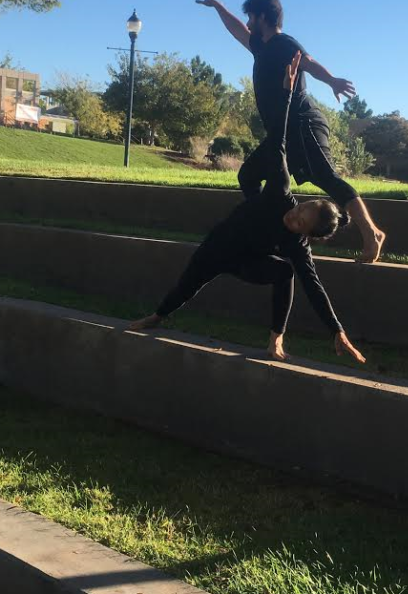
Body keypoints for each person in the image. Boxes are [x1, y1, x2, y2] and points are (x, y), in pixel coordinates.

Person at [131, 53, 366, 365]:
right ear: (306, 201)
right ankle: (157, 317)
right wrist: (286, 91)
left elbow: (314, 287)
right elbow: (279, 139)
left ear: (308, 235)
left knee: (286, 272)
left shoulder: (297, 246)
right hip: (219, 245)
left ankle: (275, 340)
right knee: (185, 288)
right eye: (300, 210)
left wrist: (337, 330)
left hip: (248, 263)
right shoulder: (280, 192)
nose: (292, 217)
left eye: (299, 224)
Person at [196, 0, 386, 263]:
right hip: (281, 132)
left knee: (325, 177)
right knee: (248, 176)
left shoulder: (284, 43)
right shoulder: (261, 47)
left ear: (262, 16)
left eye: (250, 16)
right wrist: (217, 7)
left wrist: (332, 80)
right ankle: (271, 229)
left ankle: (371, 233)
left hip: (301, 123)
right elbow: (237, 30)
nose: (247, 22)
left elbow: (307, 62)